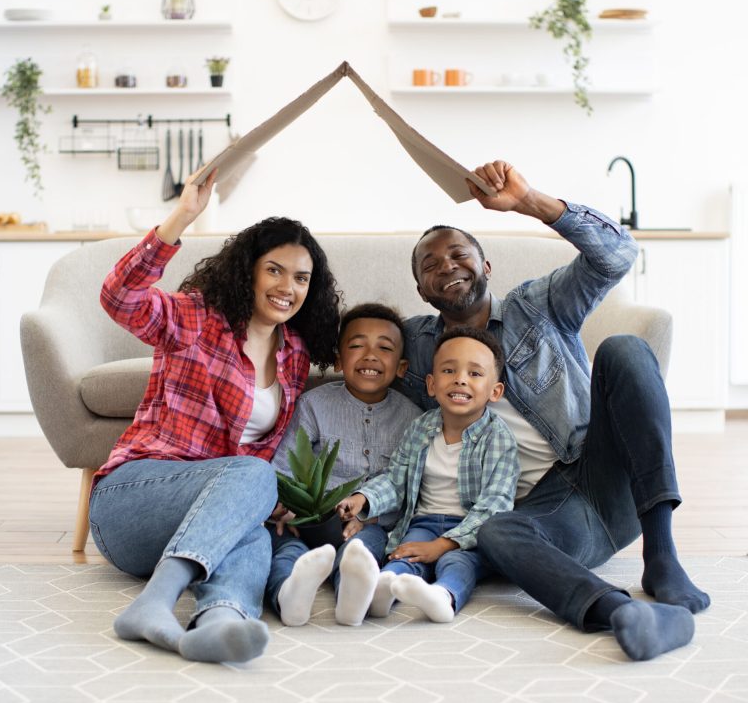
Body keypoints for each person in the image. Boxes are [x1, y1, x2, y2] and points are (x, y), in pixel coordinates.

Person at [398, 158, 708, 660]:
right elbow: (342, 348)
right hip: (546, 520)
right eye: (430, 265)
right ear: (420, 290)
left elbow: (617, 254)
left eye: (458, 255)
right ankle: (624, 613)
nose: (446, 267)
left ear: (486, 267)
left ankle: (663, 554)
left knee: (625, 350)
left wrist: (528, 202)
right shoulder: (414, 346)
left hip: (605, 474)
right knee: (495, 531)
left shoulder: (536, 305)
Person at [88, 166, 341, 664]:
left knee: (255, 523)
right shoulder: (195, 318)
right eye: (274, 269)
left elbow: (257, 458)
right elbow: (119, 298)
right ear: (248, 269)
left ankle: (219, 619)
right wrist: (182, 216)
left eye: (301, 277)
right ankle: (155, 602)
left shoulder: (294, 355)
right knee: (255, 476)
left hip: (201, 527)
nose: (287, 286)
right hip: (132, 503)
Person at [337, 327, 519, 624]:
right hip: (422, 521)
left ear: (495, 391)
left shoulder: (498, 438)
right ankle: (384, 588)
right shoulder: (421, 428)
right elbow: (396, 480)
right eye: (449, 370)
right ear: (432, 385)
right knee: (403, 554)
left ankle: (443, 596)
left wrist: (444, 544)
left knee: (456, 562)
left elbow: (495, 506)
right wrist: (363, 498)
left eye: (474, 374)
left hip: (470, 531)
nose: (460, 378)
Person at [266, 303, 422, 627]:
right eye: (356, 345)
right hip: (306, 519)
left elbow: (408, 486)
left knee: (365, 548)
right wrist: (289, 508)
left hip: (368, 523)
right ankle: (288, 594)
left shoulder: (413, 419)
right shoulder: (315, 404)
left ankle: (349, 595)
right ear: (338, 360)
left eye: (384, 347)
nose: (370, 355)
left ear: (402, 366)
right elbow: (282, 464)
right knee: (283, 547)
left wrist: (370, 516)